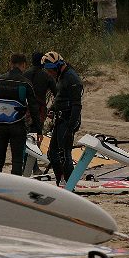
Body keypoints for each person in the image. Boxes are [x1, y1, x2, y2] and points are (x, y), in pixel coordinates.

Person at [0, 53, 42, 175]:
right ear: (24, 65)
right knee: (17, 162)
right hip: (18, 126)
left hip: (0, 126)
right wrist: (38, 130)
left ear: (10, 64)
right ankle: (14, 191)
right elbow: (34, 108)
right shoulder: (26, 83)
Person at [42, 51, 83, 185]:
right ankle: (61, 181)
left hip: (68, 120)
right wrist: (52, 109)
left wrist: (71, 126)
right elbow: (60, 97)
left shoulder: (72, 78)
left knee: (64, 154)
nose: (49, 73)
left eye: (50, 70)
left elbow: (77, 105)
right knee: (52, 153)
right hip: (60, 120)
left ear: (57, 66)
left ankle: (70, 184)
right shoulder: (61, 76)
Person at [24, 51, 57, 132]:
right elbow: (57, 94)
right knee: (36, 138)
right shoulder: (47, 76)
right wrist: (52, 109)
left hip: (25, 110)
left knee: (23, 137)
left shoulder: (24, 74)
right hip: (39, 111)